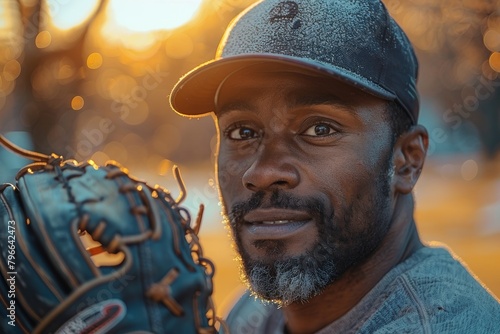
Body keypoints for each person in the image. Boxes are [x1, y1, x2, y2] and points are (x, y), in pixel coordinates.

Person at [169, 0, 500, 333]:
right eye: (243, 132)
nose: (263, 172)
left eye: (319, 129)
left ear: (406, 160)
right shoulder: (254, 314)